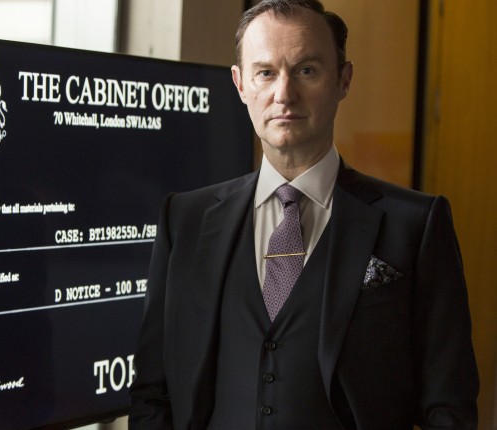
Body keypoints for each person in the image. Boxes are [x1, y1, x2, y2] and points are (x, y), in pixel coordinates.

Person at [128, 0, 479, 429]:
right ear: (240, 84)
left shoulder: (416, 225)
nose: (284, 94)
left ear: (343, 80)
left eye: (306, 70)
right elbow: (152, 392)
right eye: (265, 72)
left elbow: (449, 405)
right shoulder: (184, 220)